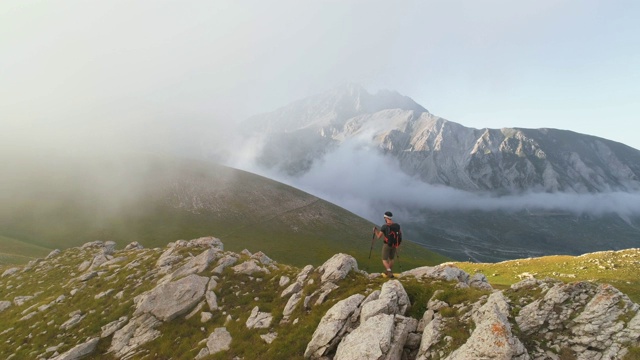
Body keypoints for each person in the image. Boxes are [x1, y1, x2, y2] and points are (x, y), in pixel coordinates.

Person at [373, 211, 401, 278]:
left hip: (387, 245)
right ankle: (388, 271)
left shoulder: (384, 226)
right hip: (394, 245)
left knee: (384, 259)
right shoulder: (397, 225)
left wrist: (375, 231)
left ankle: (389, 271)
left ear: (385, 218)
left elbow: (379, 237)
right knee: (391, 259)